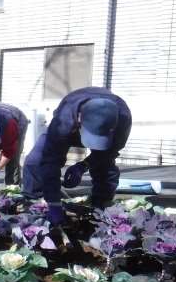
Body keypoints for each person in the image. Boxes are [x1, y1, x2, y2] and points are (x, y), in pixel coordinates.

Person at [22, 87, 132, 225]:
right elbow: (50, 160)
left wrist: (84, 165)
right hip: (70, 125)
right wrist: (54, 203)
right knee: (34, 161)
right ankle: (34, 205)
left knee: (105, 168)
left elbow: (108, 153)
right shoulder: (64, 120)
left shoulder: (123, 118)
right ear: (79, 118)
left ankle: (101, 210)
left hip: (105, 128)